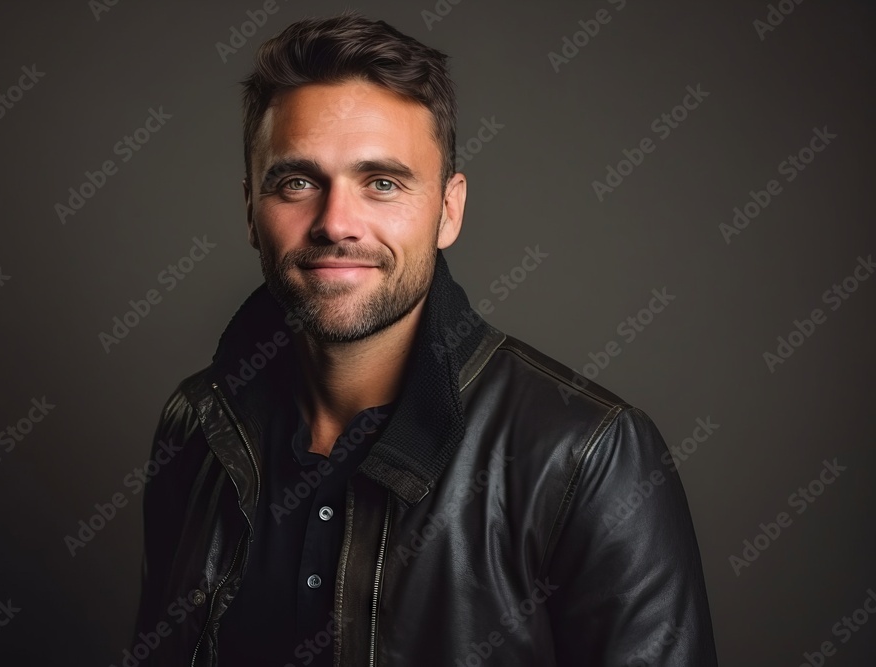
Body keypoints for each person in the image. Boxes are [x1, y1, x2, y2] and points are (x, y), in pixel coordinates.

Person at [132, 10, 718, 666]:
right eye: (297, 181)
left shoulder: (586, 455)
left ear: (449, 209)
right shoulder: (197, 423)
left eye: (381, 183)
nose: (336, 223)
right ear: (250, 210)